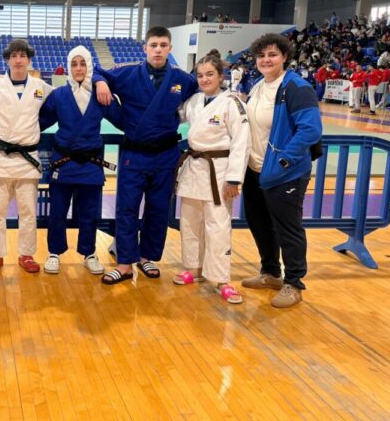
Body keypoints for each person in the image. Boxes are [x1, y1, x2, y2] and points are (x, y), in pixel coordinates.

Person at [92, 26, 198, 285]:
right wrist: (101, 82)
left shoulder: (183, 80)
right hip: (134, 154)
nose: (158, 49)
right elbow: (98, 71)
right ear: (145, 48)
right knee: (126, 208)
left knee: (158, 209)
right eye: (154, 45)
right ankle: (125, 262)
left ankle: (148, 256)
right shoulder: (128, 73)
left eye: (163, 45)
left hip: (165, 155)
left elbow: (200, 97)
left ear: (170, 49)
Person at [241, 33, 322, 308]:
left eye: (272, 54)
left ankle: (294, 283)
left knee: (288, 229)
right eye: (262, 55)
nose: (266, 60)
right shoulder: (257, 86)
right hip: (255, 170)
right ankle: (271, 273)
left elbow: (310, 129)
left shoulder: (296, 88)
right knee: (260, 224)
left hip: (285, 172)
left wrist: (285, 160)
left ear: (284, 56)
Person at [38, 45, 122, 276]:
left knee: (89, 212)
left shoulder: (101, 94)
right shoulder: (59, 95)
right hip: (63, 162)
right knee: (57, 211)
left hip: (90, 163)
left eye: (82, 63)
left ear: (90, 66)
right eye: (74, 64)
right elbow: (38, 123)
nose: (78, 68)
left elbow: (122, 120)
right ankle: (54, 252)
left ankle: (89, 253)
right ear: (68, 67)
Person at [174, 54, 250, 304]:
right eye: (200, 75)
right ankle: (193, 269)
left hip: (219, 171)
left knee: (218, 227)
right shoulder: (194, 101)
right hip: (194, 169)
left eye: (210, 74)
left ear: (221, 76)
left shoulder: (232, 103)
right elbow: (175, 114)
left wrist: (234, 179)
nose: (205, 79)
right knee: (190, 223)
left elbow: (241, 142)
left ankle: (221, 279)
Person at [0, 39, 50, 275]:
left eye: (23, 56)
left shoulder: (41, 87)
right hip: (1, 155)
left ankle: (27, 254)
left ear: (29, 60)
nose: (18, 60)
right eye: (14, 56)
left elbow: (52, 111)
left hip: (27, 158)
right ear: (7, 59)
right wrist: (5, 134)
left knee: (29, 211)